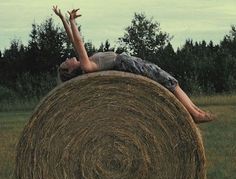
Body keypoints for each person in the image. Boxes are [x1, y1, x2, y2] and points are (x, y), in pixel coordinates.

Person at [53, 6, 215, 124]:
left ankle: (196, 111)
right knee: (169, 83)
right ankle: (195, 114)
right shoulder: (87, 66)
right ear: (70, 69)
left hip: (128, 63)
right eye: (66, 62)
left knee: (170, 82)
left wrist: (63, 19)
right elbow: (79, 42)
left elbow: (73, 40)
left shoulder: (85, 62)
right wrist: (73, 21)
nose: (68, 58)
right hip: (128, 64)